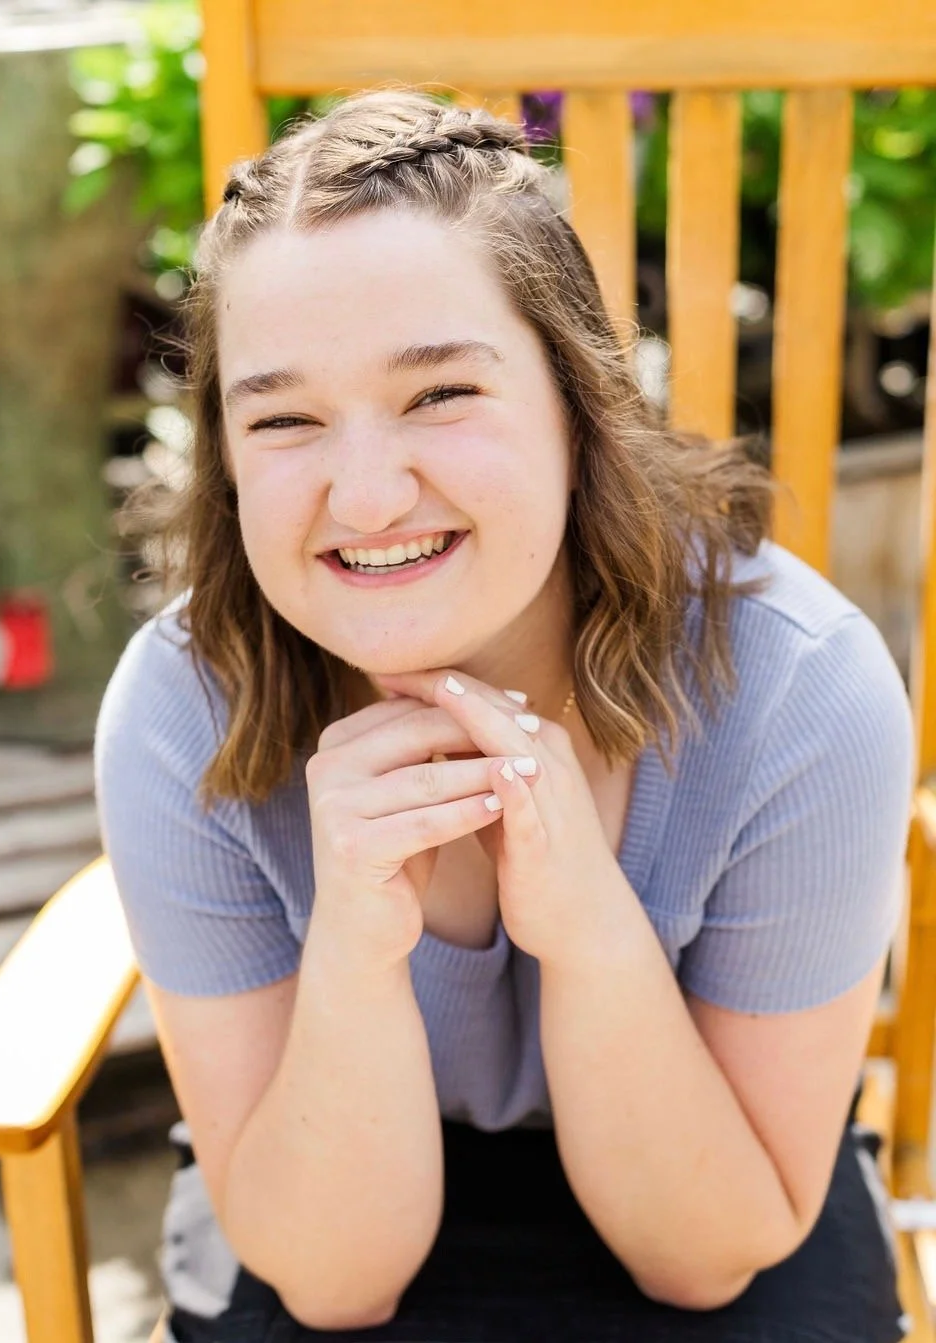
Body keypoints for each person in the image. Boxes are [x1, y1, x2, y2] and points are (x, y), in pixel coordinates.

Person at [94, 89, 915, 1343]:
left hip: (706, 1156)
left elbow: (703, 1260)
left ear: (580, 406)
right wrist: (359, 950)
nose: (365, 494)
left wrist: (586, 922)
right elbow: (335, 1285)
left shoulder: (799, 691)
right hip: (333, 1150)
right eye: (283, 418)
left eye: (438, 396)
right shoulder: (180, 711)